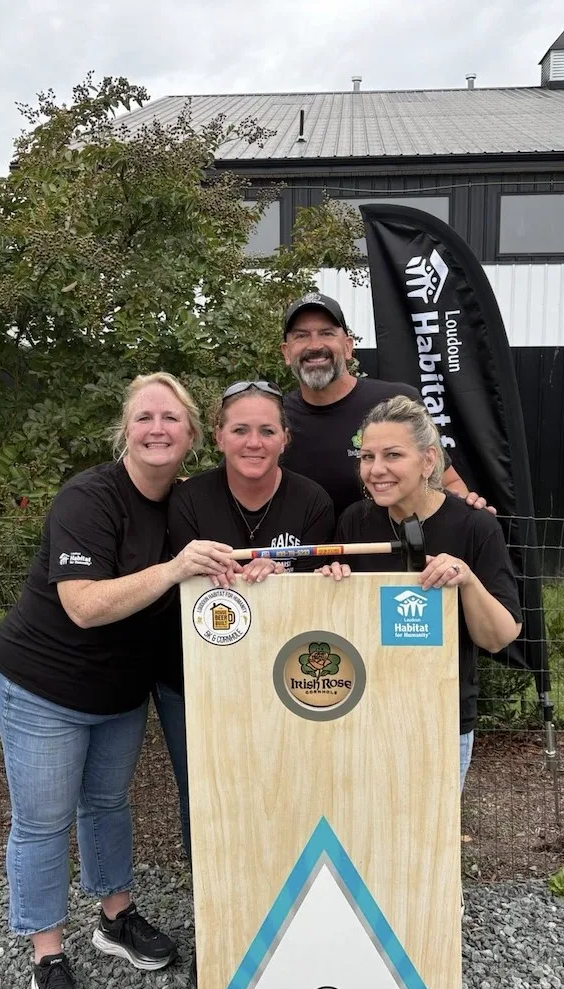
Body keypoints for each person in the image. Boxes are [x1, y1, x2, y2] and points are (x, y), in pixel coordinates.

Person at [0, 373, 236, 989]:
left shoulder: (188, 503)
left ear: (192, 436)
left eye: (171, 418)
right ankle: (47, 953)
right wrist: (175, 568)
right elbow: (83, 605)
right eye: (144, 417)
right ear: (125, 430)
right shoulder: (89, 498)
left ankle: (115, 917)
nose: (157, 428)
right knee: (44, 821)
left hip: (122, 691)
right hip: (45, 684)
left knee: (105, 805)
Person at [164, 378, 335, 856]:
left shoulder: (313, 501)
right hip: (198, 676)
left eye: (266, 431)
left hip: (284, 674)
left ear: (285, 439)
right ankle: (211, 886)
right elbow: (191, 586)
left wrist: (281, 580)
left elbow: (320, 599)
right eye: (240, 430)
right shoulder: (188, 500)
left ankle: (283, 875)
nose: (253, 442)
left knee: (285, 779)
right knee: (205, 787)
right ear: (219, 437)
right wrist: (245, 580)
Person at [318, 394, 522, 789]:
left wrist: (466, 579)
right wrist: (331, 583)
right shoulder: (355, 522)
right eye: (367, 457)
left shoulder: (476, 526)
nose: (376, 469)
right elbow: (340, 622)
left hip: (441, 718)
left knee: (429, 828)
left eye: (393, 455)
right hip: (364, 711)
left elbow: (498, 637)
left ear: (428, 460)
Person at [278, 291, 492, 517]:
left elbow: (446, 482)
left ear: (348, 347)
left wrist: (468, 514)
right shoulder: (275, 419)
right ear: (286, 352)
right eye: (301, 336)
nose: (314, 345)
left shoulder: (395, 402)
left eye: (327, 333)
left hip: (393, 540)